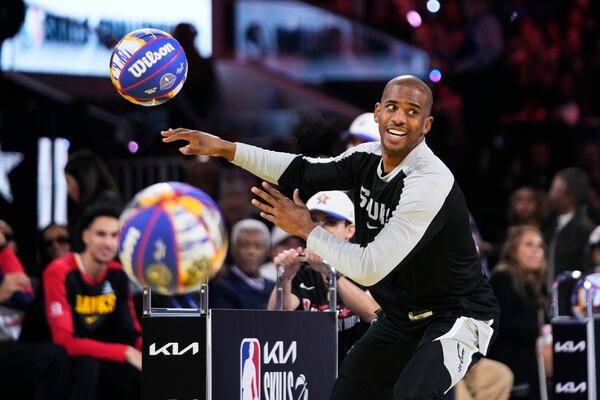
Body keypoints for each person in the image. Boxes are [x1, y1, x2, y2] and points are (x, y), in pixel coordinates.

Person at [162, 74, 500, 399]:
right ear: (378, 112)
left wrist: (307, 229)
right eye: (393, 107)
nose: (399, 118)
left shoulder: (427, 183)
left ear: (425, 126)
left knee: (413, 393)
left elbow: (370, 268)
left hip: (457, 313)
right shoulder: (365, 158)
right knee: (349, 390)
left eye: (412, 113)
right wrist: (226, 149)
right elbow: (300, 169)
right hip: (402, 314)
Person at [267, 190, 379, 365]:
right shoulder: (301, 269)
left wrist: (331, 272)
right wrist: (285, 278)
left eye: (330, 222)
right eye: (313, 221)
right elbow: (275, 321)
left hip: (359, 371)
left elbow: (373, 313)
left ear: (350, 230)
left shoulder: (365, 267)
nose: (320, 229)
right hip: (310, 371)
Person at [43, 205, 141, 400]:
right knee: (87, 368)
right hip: (57, 360)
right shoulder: (60, 271)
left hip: (103, 356)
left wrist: (158, 355)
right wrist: (126, 352)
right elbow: (64, 342)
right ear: (86, 236)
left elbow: (131, 332)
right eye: (101, 234)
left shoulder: (118, 274)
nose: (108, 243)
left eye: (114, 236)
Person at [0, 229, 71, 400]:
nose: (56, 246)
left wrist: (3, 249)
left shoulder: (34, 282)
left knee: (84, 364)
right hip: (6, 347)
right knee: (55, 356)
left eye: (6, 237)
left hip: (23, 344)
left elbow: (24, 294)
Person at [487, 226, 550, 399]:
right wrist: (539, 330)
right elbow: (502, 322)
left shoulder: (537, 283)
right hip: (510, 361)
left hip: (532, 359)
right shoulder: (502, 277)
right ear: (513, 249)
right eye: (529, 244)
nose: (536, 250)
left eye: (540, 246)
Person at [209, 219, 275, 309]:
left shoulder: (274, 288)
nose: (251, 252)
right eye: (244, 245)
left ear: (268, 251)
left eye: (258, 246)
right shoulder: (220, 286)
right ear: (233, 249)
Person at [64, 149, 122, 252]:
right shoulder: (99, 203)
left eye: (68, 182)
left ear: (82, 180)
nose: (68, 190)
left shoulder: (105, 207)